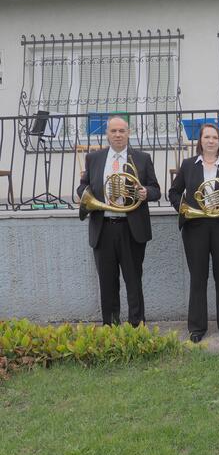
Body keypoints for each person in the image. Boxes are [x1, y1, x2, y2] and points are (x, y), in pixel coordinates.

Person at [77, 115, 161, 327]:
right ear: (107, 134)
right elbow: (82, 187)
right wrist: (85, 193)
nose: (117, 135)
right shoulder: (93, 158)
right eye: (113, 131)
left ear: (128, 132)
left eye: (121, 131)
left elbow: (156, 190)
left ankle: (136, 326)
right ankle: (110, 327)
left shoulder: (142, 158)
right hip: (103, 228)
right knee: (107, 283)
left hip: (131, 229)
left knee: (134, 282)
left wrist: (144, 192)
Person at [169, 124, 219, 343]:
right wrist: (183, 208)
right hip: (196, 227)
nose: (211, 141)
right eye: (207, 137)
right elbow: (173, 192)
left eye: (215, 137)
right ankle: (197, 327)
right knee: (198, 278)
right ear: (200, 141)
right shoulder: (188, 165)